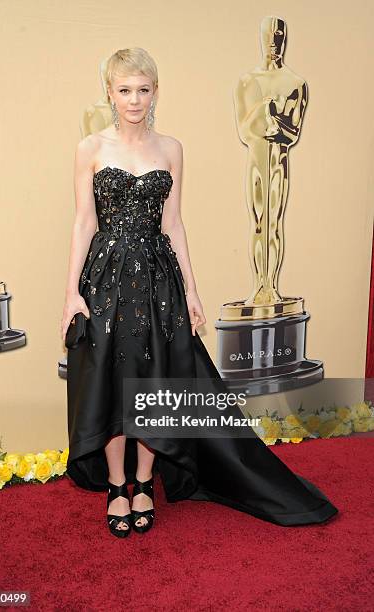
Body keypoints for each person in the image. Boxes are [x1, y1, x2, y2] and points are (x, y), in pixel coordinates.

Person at [61, 47, 338, 538]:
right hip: (105, 281)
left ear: (155, 92)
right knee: (109, 384)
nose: (134, 99)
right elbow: (84, 222)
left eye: (143, 90)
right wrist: (70, 294)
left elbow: (174, 223)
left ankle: (146, 482)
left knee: (154, 384)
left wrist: (191, 289)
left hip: (158, 279)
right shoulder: (91, 147)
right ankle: (116, 486)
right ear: (109, 92)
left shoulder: (171, 148)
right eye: (125, 90)